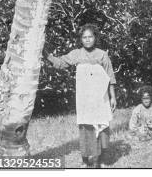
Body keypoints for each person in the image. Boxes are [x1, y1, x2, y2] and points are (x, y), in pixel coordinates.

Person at [45, 23, 117, 168]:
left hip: (100, 98)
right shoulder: (76, 54)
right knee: (86, 126)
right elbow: (61, 62)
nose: (88, 40)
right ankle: (85, 159)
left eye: (90, 37)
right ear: (81, 39)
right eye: (84, 37)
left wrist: (113, 96)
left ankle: (99, 159)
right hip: (84, 99)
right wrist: (46, 54)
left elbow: (110, 77)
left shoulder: (102, 55)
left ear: (95, 38)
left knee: (100, 125)